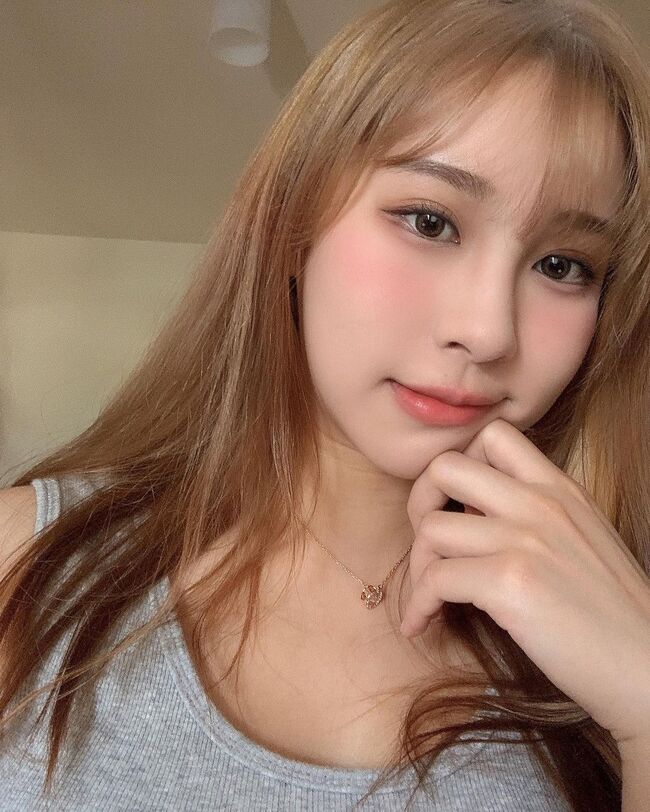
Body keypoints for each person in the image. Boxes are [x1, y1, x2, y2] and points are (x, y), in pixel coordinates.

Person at [0, 0, 648, 809]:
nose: (487, 331)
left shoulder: (610, 647)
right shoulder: (26, 561)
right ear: (293, 226)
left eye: (562, 265)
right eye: (430, 221)